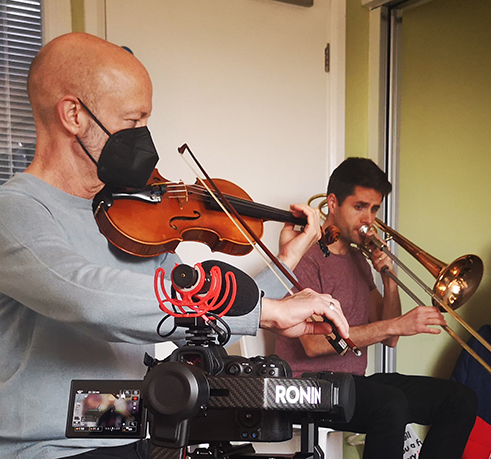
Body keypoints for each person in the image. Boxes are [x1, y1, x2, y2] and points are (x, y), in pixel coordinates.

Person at [0, 32, 350, 458]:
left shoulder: (128, 218)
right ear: (73, 114)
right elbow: (88, 296)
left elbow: (195, 303)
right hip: (51, 448)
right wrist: (266, 313)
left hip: (129, 432)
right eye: (133, 121)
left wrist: (286, 263)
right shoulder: (16, 211)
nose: (145, 138)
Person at [273, 157, 477, 459]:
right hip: (307, 384)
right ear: (333, 203)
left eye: (374, 208)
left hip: (352, 383)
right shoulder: (306, 255)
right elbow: (314, 344)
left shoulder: (358, 259)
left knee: (460, 399)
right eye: (359, 207)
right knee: (390, 403)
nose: (368, 218)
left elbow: (389, 337)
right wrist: (396, 325)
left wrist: (388, 277)